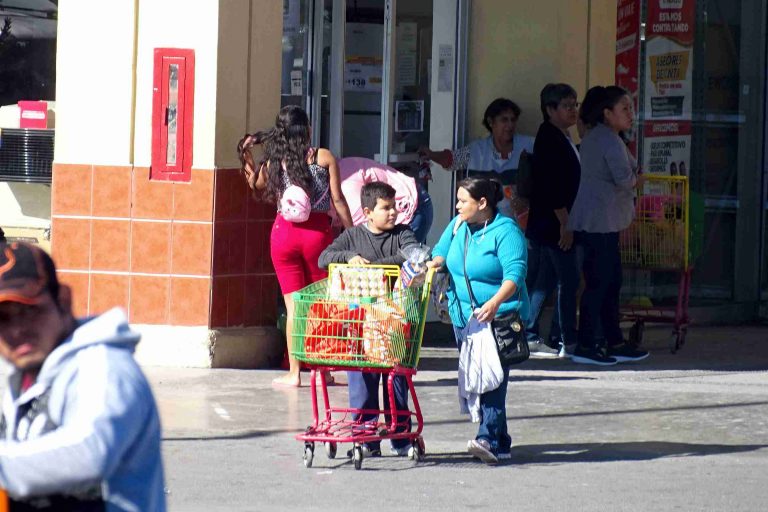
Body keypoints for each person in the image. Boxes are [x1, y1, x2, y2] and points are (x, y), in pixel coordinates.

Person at [0, 242, 166, 511]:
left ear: (63, 301)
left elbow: (90, 452)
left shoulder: (103, 367)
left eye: (31, 311)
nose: (18, 330)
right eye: (3, 319)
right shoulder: (26, 375)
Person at [238, 105, 354, 388]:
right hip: (317, 237)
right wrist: (354, 234)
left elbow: (255, 186)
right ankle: (322, 370)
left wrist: (245, 156)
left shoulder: (272, 163)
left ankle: (294, 373)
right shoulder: (322, 157)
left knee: (294, 308)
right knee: (321, 305)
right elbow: (337, 199)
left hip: (283, 236)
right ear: (308, 129)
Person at [428, 177, 529, 464]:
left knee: (492, 379)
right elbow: (441, 252)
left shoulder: (505, 231)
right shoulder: (459, 225)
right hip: (464, 318)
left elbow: (515, 273)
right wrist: (431, 265)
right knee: (479, 376)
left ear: (482, 203)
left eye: (463, 201)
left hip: (498, 319)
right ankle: (501, 440)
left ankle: (486, 437)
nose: (457, 205)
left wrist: (495, 303)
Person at [318, 182, 419, 457]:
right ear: (367, 212)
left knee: (395, 378)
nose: (393, 212)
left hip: (392, 321)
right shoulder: (352, 237)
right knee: (362, 378)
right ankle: (366, 436)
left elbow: (411, 253)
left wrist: (375, 266)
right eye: (385, 208)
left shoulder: (403, 234)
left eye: (394, 206)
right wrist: (349, 258)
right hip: (359, 325)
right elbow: (323, 258)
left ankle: (400, 435)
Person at [567, 86, 649, 365]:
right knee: (599, 284)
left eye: (631, 107)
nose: (631, 114)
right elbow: (625, 179)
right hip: (597, 223)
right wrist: (639, 179)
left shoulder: (604, 137)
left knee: (610, 282)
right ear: (607, 113)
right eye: (624, 108)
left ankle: (613, 340)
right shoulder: (606, 139)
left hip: (604, 221)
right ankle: (588, 344)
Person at [525, 83, 582, 359]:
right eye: (566, 105)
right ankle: (564, 337)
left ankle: (529, 333)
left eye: (575, 104)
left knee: (544, 280)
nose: (573, 110)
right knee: (567, 280)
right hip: (554, 224)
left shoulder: (562, 135)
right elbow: (551, 185)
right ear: (550, 109)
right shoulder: (549, 138)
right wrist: (565, 222)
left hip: (550, 223)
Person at [419, 98, 534, 222]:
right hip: (485, 224)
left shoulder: (530, 146)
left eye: (513, 120)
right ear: (491, 122)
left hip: (522, 225)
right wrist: (431, 154)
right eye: (504, 120)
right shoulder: (476, 150)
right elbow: (451, 160)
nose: (510, 125)